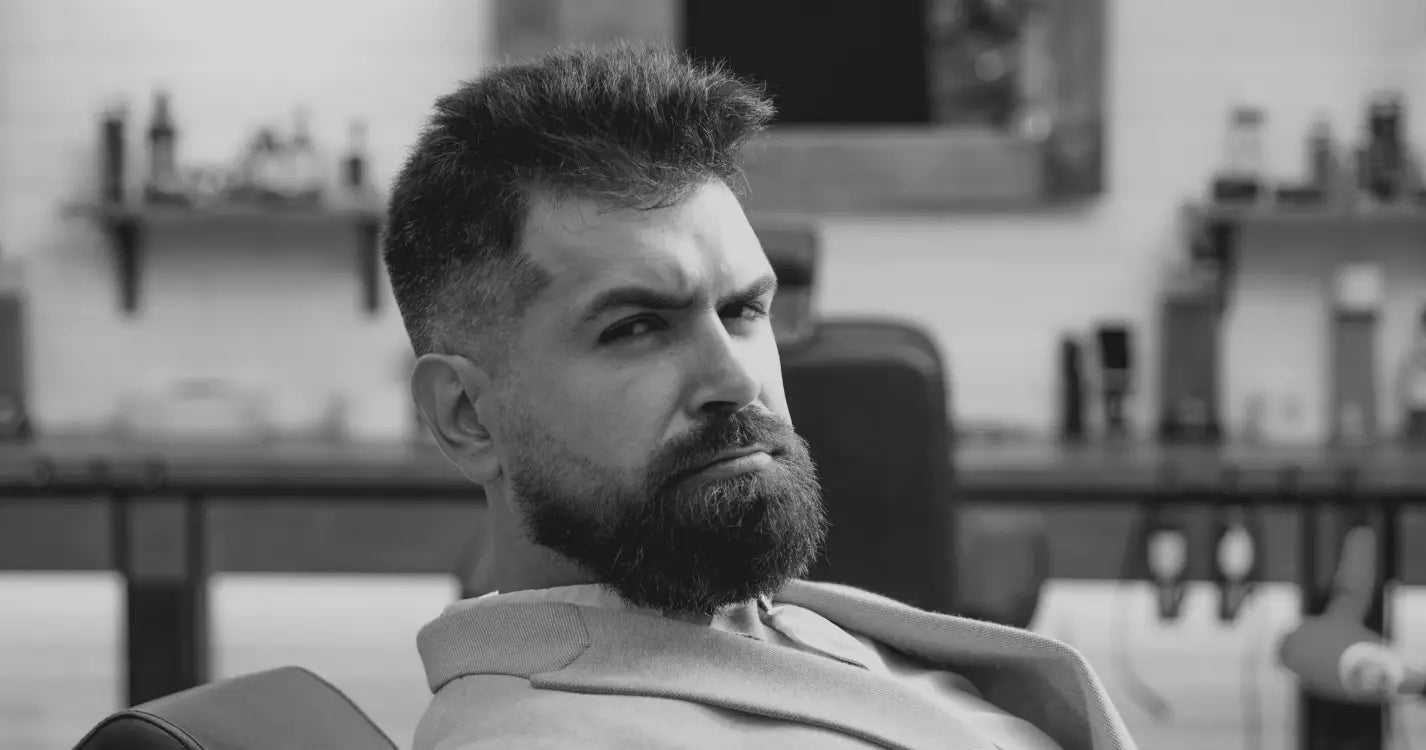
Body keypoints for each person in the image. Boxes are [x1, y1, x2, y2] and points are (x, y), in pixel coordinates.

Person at [384, 41, 1136, 750]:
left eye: (744, 310)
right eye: (637, 327)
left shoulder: (786, 630)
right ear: (465, 415)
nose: (739, 381)